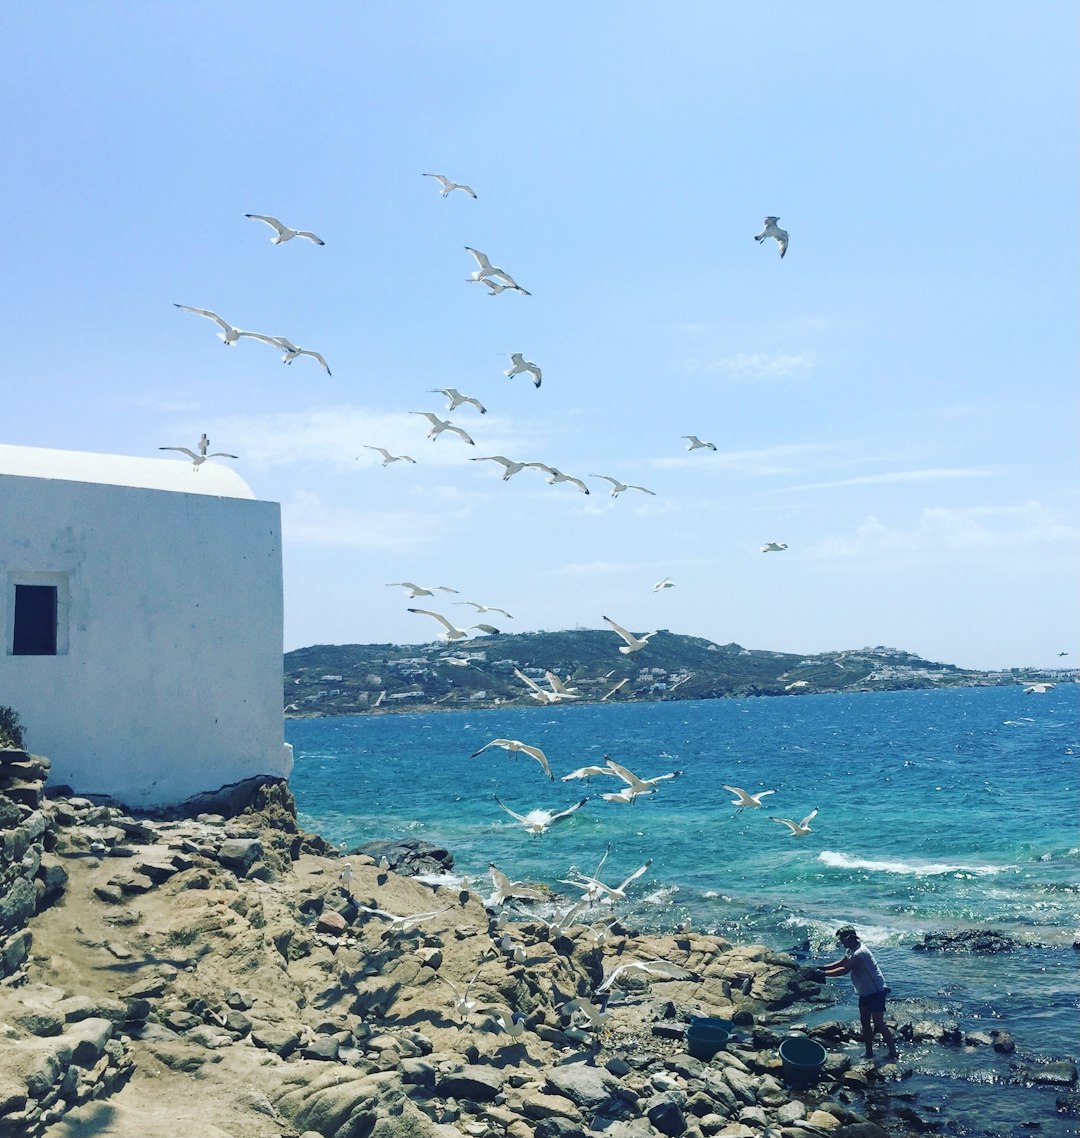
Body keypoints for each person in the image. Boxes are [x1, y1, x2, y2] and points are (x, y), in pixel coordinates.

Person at [823, 925, 899, 1061]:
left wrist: (822, 974)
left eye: (842, 940)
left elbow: (844, 970)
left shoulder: (860, 952)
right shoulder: (851, 950)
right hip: (864, 991)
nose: (841, 943)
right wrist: (821, 968)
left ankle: (893, 1052)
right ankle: (869, 1052)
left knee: (878, 1023)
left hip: (876, 990)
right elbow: (840, 963)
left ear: (850, 938)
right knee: (864, 1021)